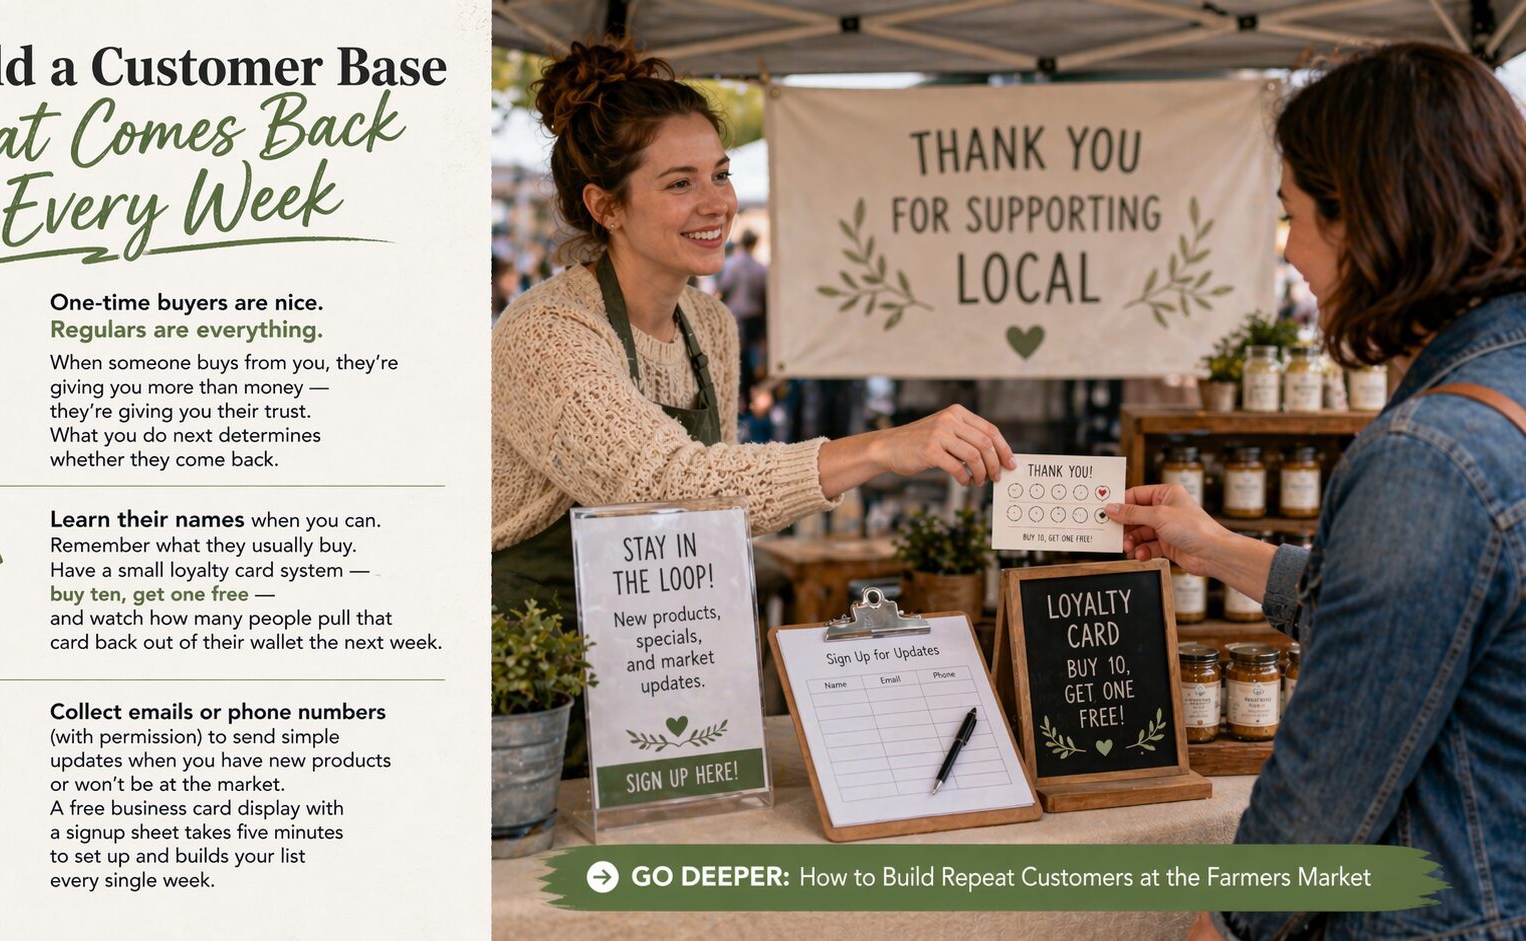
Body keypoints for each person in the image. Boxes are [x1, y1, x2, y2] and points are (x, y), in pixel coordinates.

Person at [1101, 43, 1526, 941]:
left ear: (1373, 218)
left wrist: (1224, 924)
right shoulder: (1506, 386)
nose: (1290, 250)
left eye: (1294, 214)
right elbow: (1422, 623)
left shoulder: (1429, 454)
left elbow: (1334, 770)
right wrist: (1212, 546)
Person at [492, 39, 1016, 611]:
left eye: (720, 175)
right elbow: (664, 489)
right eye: (679, 183)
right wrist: (880, 448)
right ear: (606, 207)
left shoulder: (710, 324)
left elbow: (722, 511)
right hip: (530, 661)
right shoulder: (546, 331)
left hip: (654, 644)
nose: (717, 203)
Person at [716, 229, 767, 415]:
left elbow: (721, 291)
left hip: (735, 320)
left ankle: (739, 405)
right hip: (756, 321)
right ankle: (753, 404)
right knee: (753, 365)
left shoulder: (731, 266)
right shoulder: (761, 268)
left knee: (736, 363)